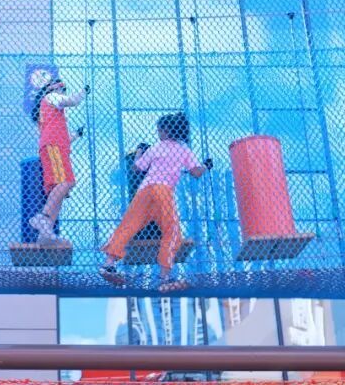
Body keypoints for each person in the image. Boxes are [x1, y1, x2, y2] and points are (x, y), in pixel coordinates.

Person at [99, 112, 211, 291]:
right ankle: (164, 277)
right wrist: (206, 165)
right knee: (171, 231)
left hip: (145, 190)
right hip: (163, 192)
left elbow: (137, 168)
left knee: (128, 225)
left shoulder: (156, 147)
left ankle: (108, 263)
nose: (158, 134)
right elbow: (196, 172)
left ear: (166, 131)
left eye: (159, 130)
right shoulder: (183, 150)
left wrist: (139, 153)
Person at [29, 75, 89, 246]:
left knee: (59, 191)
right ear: (53, 88)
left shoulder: (52, 111)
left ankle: (45, 234)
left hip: (56, 146)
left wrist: (76, 135)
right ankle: (42, 217)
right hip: (54, 146)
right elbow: (73, 101)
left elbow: (65, 138)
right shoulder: (51, 97)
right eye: (62, 88)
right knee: (67, 182)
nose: (63, 91)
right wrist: (84, 91)